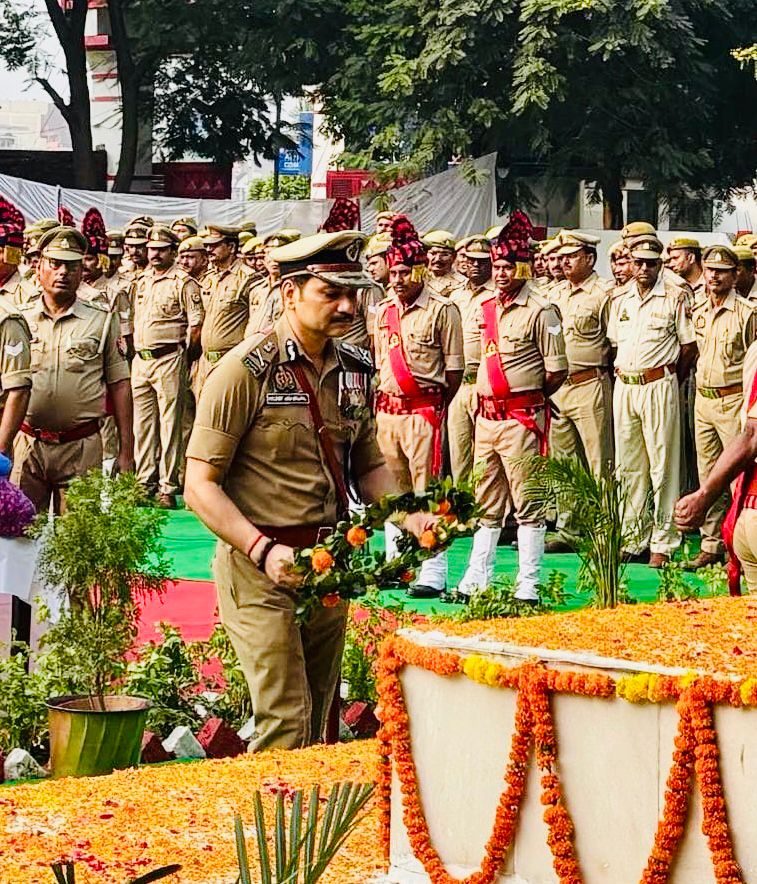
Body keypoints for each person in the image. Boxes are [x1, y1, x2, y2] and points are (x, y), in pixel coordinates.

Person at [184, 229, 433, 751]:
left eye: (353, 294)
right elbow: (199, 485)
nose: (347, 307)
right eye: (331, 293)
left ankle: (311, 807)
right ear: (289, 293)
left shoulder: (354, 368)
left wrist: (408, 514)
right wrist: (262, 550)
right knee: (286, 719)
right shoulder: (243, 372)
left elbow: (367, 464)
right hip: (261, 566)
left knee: (320, 718)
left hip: (328, 562)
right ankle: (271, 808)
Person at [451, 213, 567, 603]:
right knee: (486, 498)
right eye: (497, 266)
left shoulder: (541, 309)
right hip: (486, 417)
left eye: (507, 267)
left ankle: (528, 583)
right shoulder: (486, 306)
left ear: (523, 266)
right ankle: (477, 578)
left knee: (527, 501)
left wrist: (529, 400)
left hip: (521, 418)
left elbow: (557, 370)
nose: (500, 274)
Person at [373, 215, 463, 599]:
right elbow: (379, 361)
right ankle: (398, 562)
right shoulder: (382, 310)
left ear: (421, 271)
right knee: (394, 491)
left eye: (404, 272)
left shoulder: (443, 310)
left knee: (427, 491)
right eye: (393, 272)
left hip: (424, 411)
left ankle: (433, 569)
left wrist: (435, 406)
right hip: (388, 411)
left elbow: (455, 370)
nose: (397, 280)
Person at [12, 227, 133, 512]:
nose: (63, 272)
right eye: (55, 264)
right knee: (21, 533)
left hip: (82, 447)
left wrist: (126, 452)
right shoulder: (17, 320)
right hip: (28, 445)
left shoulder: (102, 320)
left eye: (72, 266)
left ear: (81, 272)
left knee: (79, 535)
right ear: (39, 267)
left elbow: (120, 386)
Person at [607, 236, 697, 567]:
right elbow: (615, 343)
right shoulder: (620, 298)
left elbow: (689, 347)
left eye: (651, 263)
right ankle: (633, 536)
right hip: (625, 384)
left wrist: (670, 377)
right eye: (639, 262)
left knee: (664, 465)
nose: (644, 268)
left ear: (660, 264)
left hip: (658, 383)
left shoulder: (675, 295)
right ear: (631, 264)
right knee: (629, 465)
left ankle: (664, 540)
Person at [680, 246, 757, 570]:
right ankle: (711, 544)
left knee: (736, 474)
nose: (714, 276)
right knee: (707, 472)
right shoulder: (698, 308)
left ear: (735, 274)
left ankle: (737, 545)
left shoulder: (746, 313)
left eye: (722, 271)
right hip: (704, 399)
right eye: (710, 270)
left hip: (732, 400)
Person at [547, 230, 614, 550]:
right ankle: (569, 527)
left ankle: (604, 528)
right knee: (565, 463)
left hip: (590, 383)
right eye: (562, 257)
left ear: (590, 258)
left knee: (600, 461)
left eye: (572, 256)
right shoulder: (555, 293)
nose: (564, 262)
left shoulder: (604, 293)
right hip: (560, 387)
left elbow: (615, 343)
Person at [131, 225, 204, 507]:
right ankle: (144, 482)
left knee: (170, 425)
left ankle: (168, 486)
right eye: (151, 249)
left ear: (173, 252)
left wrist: (186, 357)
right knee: (143, 426)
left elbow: (196, 325)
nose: (155, 255)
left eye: (161, 250)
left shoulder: (183, 282)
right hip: (142, 359)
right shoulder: (141, 280)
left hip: (169, 356)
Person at [448, 235, 494, 481]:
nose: (476, 265)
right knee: (459, 453)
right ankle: (461, 500)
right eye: (472, 260)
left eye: (483, 261)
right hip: (458, 384)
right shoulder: (456, 296)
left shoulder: (497, 295)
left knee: (485, 457)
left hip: (486, 383)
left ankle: (485, 502)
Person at [198, 225, 256, 389]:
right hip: (206, 361)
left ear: (231, 247)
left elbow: (256, 324)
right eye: (207, 245)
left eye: (214, 245)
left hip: (230, 361)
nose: (209, 250)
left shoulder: (247, 278)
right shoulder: (209, 278)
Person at [422, 230, 466, 298]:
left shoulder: (462, 284)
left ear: (454, 257)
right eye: (433, 253)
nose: (437, 259)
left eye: (444, 254)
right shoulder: (418, 278)